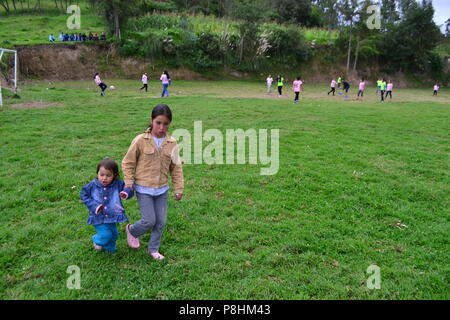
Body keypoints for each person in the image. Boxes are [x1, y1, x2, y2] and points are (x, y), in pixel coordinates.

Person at [122, 104, 184, 260]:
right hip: (143, 188)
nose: (162, 127)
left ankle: (153, 249)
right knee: (149, 220)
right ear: (152, 121)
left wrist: (179, 188)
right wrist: (128, 182)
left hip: (161, 189)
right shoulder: (140, 140)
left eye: (166, 124)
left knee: (160, 221)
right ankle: (131, 230)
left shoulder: (172, 143)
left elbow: (176, 167)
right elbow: (128, 162)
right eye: (158, 122)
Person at [80, 158, 134, 253]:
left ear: (115, 175)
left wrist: (126, 193)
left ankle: (110, 250)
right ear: (97, 173)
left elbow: (129, 189)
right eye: (101, 175)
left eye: (108, 175)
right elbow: (84, 195)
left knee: (114, 235)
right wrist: (94, 206)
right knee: (106, 235)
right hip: (98, 216)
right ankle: (97, 240)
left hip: (112, 215)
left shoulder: (118, 184)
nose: (104, 178)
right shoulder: (92, 186)